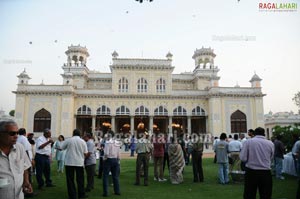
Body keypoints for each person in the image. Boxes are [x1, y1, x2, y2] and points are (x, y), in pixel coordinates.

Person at [0, 119, 33, 199]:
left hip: (19, 196)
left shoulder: (19, 148)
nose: (16, 136)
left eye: (17, 133)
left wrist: (26, 181)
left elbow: (25, 167)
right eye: (12, 133)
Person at [240, 127, 274, 199]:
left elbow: (243, 158)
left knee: (249, 194)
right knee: (266, 195)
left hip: (251, 171)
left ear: (254, 133)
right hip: (265, 172)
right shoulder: (270, 143)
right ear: (264, 134)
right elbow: (271, 157)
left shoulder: (248, 142)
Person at [61, 129, 88, 199]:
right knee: (80, 179)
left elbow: (61, 147)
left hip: (69, 162)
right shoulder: (83, 142)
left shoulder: (69, 140)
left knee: (70, 180)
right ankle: (81, 194)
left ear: (73, 134)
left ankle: (72, 195)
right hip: (79, 162)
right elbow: (86, 153)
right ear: (80, 134)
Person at [103, 131, 121, 197]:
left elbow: (106, 153)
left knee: (105, 176)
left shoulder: (108, 142)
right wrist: (118, 159)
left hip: (109, 159)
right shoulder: (117, 142)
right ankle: (117, 191)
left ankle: (106, 192)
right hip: (115, 159)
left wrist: (104, 159)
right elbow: (119, 153)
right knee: (115, 176)